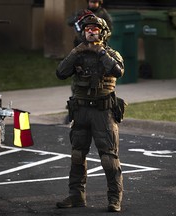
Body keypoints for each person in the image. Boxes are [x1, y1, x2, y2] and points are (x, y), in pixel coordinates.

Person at [56, 15, 125, 212]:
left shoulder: (111, 53)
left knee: (108, 158)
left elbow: (118, 71)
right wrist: (77, 51)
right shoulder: (77, 53)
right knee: (77, 155)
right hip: (81, 110)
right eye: (88, 29)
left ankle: (114, 199)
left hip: (103, 113)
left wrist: (100, 52)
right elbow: (60, 72)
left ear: (102, 33)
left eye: (95, 29)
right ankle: (76, 195)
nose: (91, 32)